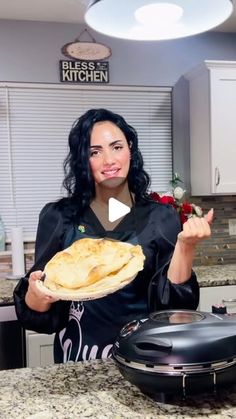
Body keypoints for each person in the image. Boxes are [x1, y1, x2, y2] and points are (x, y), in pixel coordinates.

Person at [14, 108, 213, 363]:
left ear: (130, 148)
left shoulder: (160, 217)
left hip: (141, 360)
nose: (109, 160)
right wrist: (36, 294)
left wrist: (185, 246)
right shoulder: (59, 216)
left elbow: (173, 311)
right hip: (77, 360)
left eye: (116, 147)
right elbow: (41, 313)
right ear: (83, 160)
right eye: (95, 152)